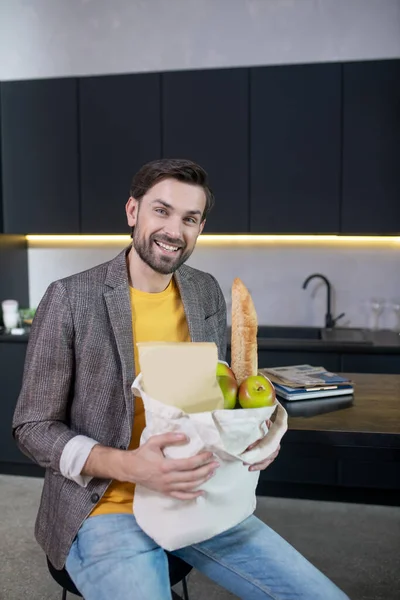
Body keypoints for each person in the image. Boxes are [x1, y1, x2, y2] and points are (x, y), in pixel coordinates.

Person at [13, 158, 349, 600]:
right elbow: (32, 428)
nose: (174, 230)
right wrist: (129, 466)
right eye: (162, 210)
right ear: (133, 212)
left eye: (189, 219)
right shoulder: (71, 297)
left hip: (197, 498)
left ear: (200, 227)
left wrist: (254, 435)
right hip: (103, 506)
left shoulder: (205, 291)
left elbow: (219, 398)